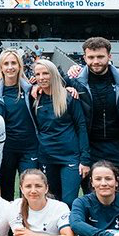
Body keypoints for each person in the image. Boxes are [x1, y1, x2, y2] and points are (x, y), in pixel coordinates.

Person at [29, 58, 88, 206]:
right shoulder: (35, 98)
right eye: (38, 74)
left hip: (70, 157)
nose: (42, 77)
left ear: (53, 74)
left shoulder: (69, 97)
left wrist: (85, 159)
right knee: (52, 200)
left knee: (69, 201)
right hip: (46, 156)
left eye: (46, 73)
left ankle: (70, 229)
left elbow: (81, 127)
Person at [71, 37, 119, 174]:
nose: (95, 61)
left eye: (100, 57)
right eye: (91, 57)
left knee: (117, 192)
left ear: (109, 56)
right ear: (84, 57)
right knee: (91, 192)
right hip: (89, 149)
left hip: (118, 148)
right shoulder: (75, 82)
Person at [0, 50, 41, 200]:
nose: (10, 67)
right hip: (6, 148)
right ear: (1, 68)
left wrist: (69, 87)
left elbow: (56, 84)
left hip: (30, 148)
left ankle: (29, 222)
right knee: (6, 192)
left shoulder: (31, 90)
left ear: (19, 66)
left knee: (30, 188)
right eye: (6, 64)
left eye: (13, 63)